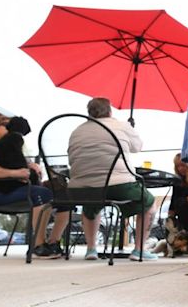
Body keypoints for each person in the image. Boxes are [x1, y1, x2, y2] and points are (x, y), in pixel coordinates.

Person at [68, 97, 158, 261]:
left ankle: (91, 249)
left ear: (89, 113)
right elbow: (137, 147)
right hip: (117, 186)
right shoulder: (121, 126)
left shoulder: (77, 130)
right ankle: (138, 250)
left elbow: (71, 159)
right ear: (109, 111)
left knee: (91, 206)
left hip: (80, 188)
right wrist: (130, 128)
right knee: (149, 204)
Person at [0, 116, 69, 259]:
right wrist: (16, 172)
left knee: (64, 197)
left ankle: (53, 242)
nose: (9, 128)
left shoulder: (17, 147)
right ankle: (38, 246)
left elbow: (27, 168)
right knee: (41, 194)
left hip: (21, 188)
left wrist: (32, 166)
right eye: (5, 125)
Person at [168, 153, 188, 232]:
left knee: (182, 204)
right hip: (183, 208)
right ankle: (185, 231)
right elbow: (174, 197)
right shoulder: (177, 181)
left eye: (182, 165)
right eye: (178, 166)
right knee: (180, 204)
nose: (180, 169)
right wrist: (171, 211)